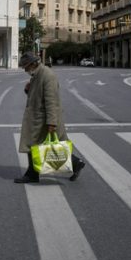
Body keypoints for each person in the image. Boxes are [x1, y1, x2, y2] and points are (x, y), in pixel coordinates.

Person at [15, 51, 85, 184]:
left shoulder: (47, 75)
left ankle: (33, 174)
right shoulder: (37, 74)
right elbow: (37, 95)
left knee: (47, 146)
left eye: (26, 67)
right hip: (38, 118)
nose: (25, 70)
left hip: (44, 119)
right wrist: (28, 90)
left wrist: (51, 123)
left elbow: (51, 101)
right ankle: (75, 164)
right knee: (41, 146)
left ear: (33, 63)